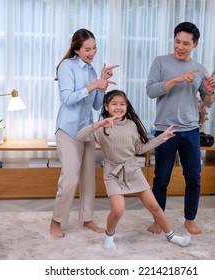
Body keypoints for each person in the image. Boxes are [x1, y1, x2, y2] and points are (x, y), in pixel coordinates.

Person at [77, 90, 191, 249]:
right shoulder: (102, 127)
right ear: (106, 106)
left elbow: (139, 148)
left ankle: (172, 236)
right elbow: (80, 137)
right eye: (114, 104)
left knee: (154, 206)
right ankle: (109, 236)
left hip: (132, 169)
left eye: (122, 104)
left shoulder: (131, 125)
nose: (118, 107)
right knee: (118, 210)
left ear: (127, 106)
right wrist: (99, 123)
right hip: (112, 172)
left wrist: (162, 138)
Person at [146, 22, 215, 235]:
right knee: (161, 178)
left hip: (191, 130)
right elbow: (151, 91)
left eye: (186, 43)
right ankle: (159, 220)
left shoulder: (200, 69)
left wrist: (211, 90)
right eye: (177, 41)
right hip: (164, 130)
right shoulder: (160, 62)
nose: (180, 46)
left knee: (194, 177)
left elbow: (209, 102)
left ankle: (190, 220)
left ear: (195, 44)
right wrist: (175, 80)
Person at [50, 28, 119, 238]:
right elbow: (68, 99)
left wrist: (102, 85)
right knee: (70, 178)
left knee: (89, 179)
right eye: (88, 49)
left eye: (94, 48)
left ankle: (87, 219)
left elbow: (98, 106)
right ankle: (56, 221)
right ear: (77, 49)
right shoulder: (66, 66)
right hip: (69, 130)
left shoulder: (91, 70)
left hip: (88, 130)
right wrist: (93, 85)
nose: (92, 52)